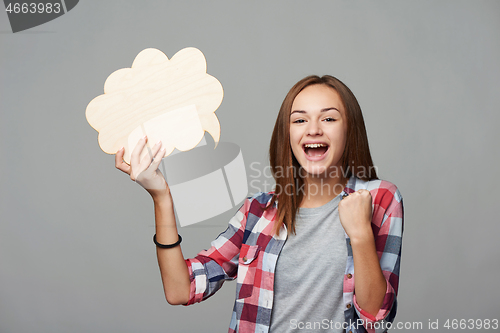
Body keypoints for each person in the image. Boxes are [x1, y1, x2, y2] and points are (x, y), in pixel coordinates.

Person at [115, 75, 404, 333]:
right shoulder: (257, 212)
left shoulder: (380, 198)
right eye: (300, 119)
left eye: (329, 118)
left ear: (349, 128)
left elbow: (375, 320)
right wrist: (161, 196)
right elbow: (180, 289)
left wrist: (360, 234)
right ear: (287, 134)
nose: (313, 129)